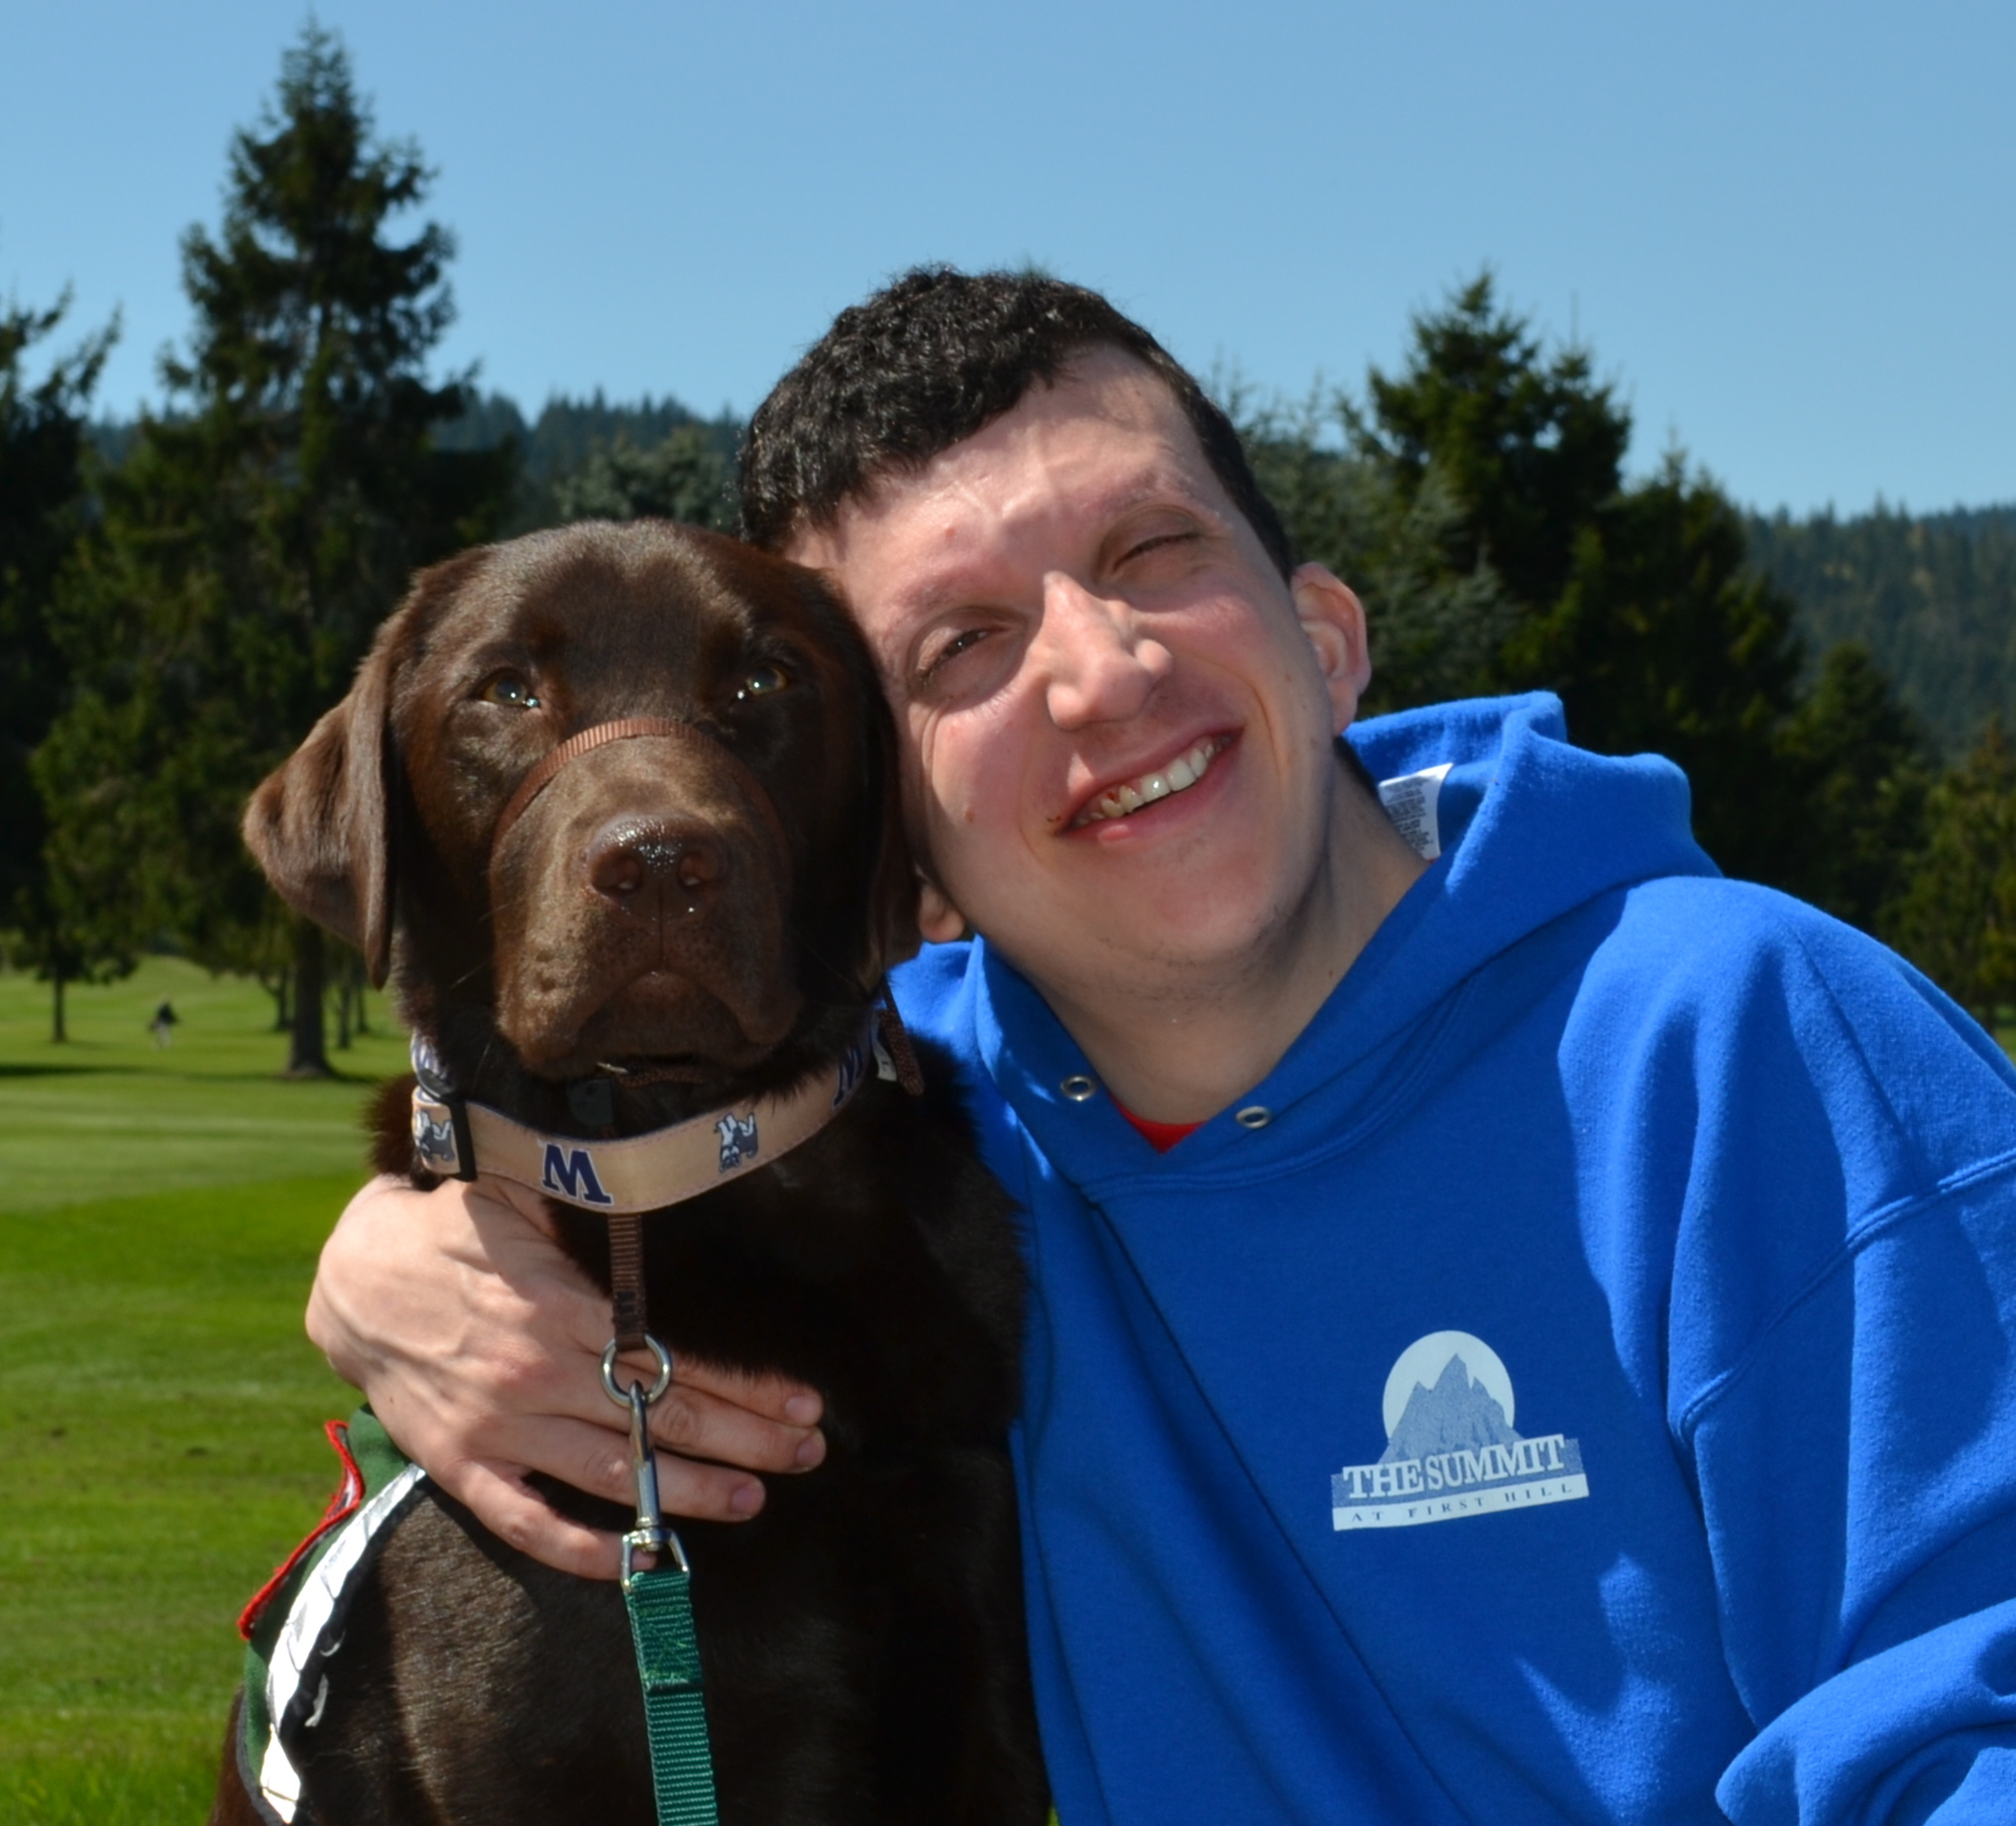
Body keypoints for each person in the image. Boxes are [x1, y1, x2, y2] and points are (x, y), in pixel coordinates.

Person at [307, 269, 2016, 1823]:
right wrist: (397, 1257)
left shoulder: (1743, 1046)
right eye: (963, 643)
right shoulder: (917, 1128)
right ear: (898, 849)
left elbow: (1969, 1737)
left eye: (1152, 554)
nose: (1098, 671)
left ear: (1327, 637)